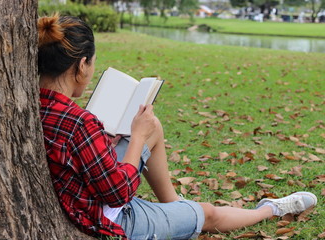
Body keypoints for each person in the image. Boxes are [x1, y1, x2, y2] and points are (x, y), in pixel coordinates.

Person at [38, 15, 317, 240]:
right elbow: (118, 193)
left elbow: (78, 159)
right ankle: (270, 209)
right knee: (209, 213)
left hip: (83, 194)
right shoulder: (79, 122)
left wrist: (109, 141)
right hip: (104, 217)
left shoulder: (34, 105)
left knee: (153, 126)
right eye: (92, 65)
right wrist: (136, 138)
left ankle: (175, 206)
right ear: (82, 65)